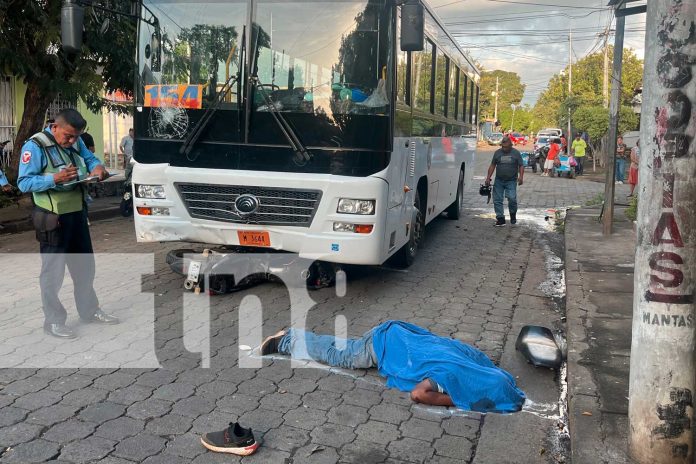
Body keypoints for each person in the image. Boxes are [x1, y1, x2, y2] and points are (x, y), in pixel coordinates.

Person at [260, 320, 526, 413]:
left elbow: (461, 345)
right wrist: (456, 401)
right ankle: (287, 340)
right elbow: (419, 394)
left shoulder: (476, 362)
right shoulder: (452, 377)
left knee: (345, 347)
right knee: (342, 356)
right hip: (384, 346)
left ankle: (293, 335)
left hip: (399, 334)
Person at [18, 109, 119, 339]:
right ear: (54, 127)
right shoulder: (35, 146)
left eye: (76, 137)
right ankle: (53, 321)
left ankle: (89, 311)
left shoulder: (76, 141)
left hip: (77, 214)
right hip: (53, 219)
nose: (73, 141)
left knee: (84, 268)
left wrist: (97, 168)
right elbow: (24, 183)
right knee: (53, 274)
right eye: (68, 136)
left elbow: (92, 159)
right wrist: (54, 178)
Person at [485, 137, 524, 227]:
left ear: (511, 145)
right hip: (499, 180)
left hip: (511, 180)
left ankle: (513, 214)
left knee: (512, 198)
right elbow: (493, 165)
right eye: (503, 147)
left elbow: (521, 165)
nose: (504, 149)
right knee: (497, 199)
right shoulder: (497, 153)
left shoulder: (516, 153)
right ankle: (500, 218)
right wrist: (488, 178)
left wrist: (521, 177)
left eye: (506, 147)